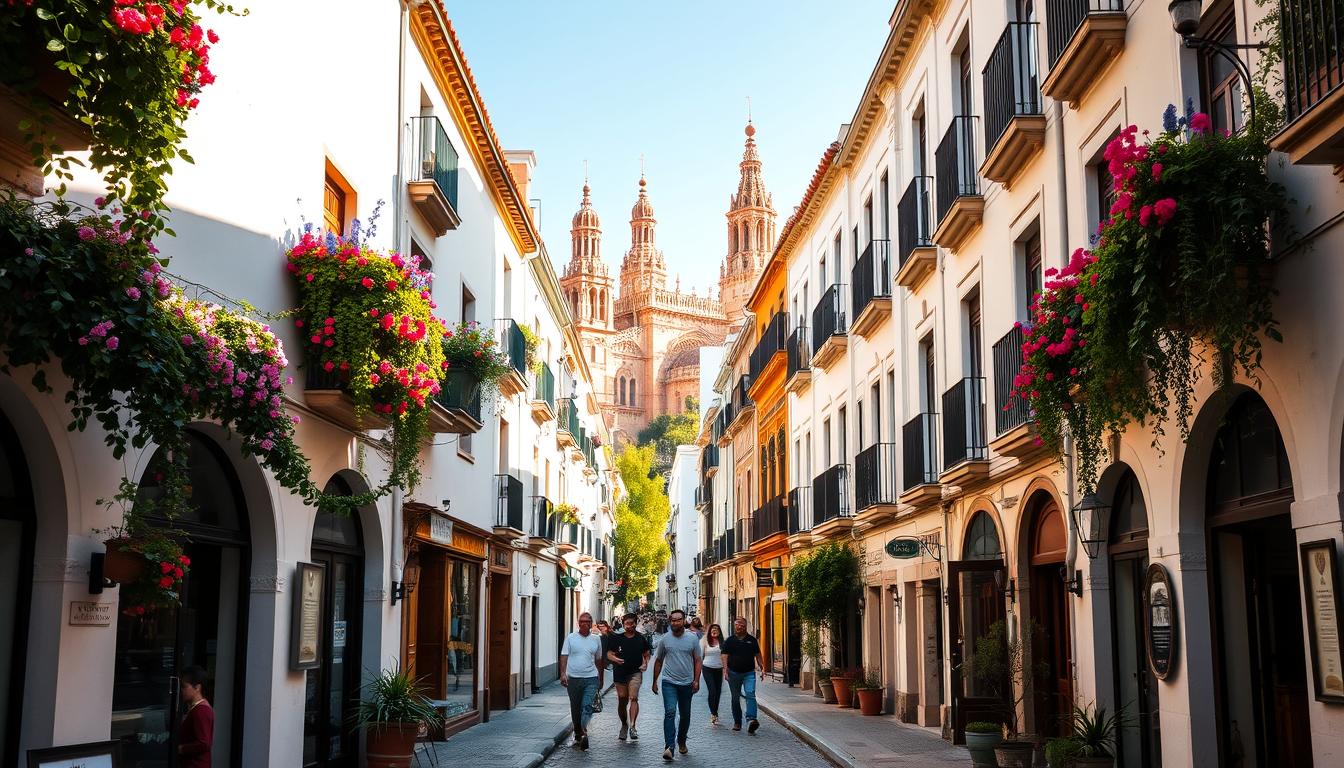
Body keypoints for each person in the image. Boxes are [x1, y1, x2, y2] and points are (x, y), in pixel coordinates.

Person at [650, 609, 702, 761]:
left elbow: (698, 660)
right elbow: (659, 660)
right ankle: (669, 747)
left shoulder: (692, 639)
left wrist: (696, 679)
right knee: (670, 712)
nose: (675, 623)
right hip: (669, 682)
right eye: (673, 620)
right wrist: (654, 681)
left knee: (685, 715)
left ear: (684, 621)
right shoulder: (665, 639)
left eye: (678, 620)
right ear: (670, 621)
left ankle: (682, 740)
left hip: (687, 683)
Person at [560, 612, 604, 750]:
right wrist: (562, 674)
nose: (585, 623)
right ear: (578, 623)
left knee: (587, 706)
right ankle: (578, 733)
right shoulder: (571, 638)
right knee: (575, 708)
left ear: (591, 624)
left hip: (591, 678)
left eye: (588, 621)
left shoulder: (596, 639)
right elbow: (564, 656)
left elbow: (599, 659)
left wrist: (601, 677)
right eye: (582, 621)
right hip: (573, 678)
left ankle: (583, 730)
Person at [604, 612, 651, 741]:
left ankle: (633, 727)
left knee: (633, 698)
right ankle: (624, 724)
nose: (630, 626)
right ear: (623, 624)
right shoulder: (616, 638)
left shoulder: (641, 638)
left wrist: (645, 664)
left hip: (635, 672)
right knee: (622, 700)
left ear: (636, 623)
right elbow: (608, 654)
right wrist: (615, 659)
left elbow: (647, 653)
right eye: (627, 623)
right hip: (620, 673)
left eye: (632, 623)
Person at [721, 617, 765, 733]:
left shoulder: (752, 640)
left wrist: (762, 667)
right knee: (735, 698)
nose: (738, 626)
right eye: (736, 624)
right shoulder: (730, 640)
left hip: (749, 672)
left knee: (750, 693)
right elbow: (724, 655)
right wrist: (725, 670)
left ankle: (751, 719)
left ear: (745, 626)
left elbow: (758, 654)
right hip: (733, 673)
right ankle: (737, 721)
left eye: (741, 624)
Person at [177, 665, 214, 768]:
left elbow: (204, 743)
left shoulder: (201, 711)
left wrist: (180, 749)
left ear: (197, 687)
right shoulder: (197, 709)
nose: (181, 691)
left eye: (184, 687)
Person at [700, 623, 725, 725]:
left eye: (716, 629)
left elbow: (726, 656)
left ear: (719, 632)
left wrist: (726, 669)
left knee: (718, 692)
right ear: (710, 632)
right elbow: (700, 656)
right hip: (707, 668)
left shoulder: (723, 643)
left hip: (719, 669)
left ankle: (715, 712)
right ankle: (713, 713)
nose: (714, 631)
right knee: (712, 690)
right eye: (712, 629)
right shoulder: (704, 641)